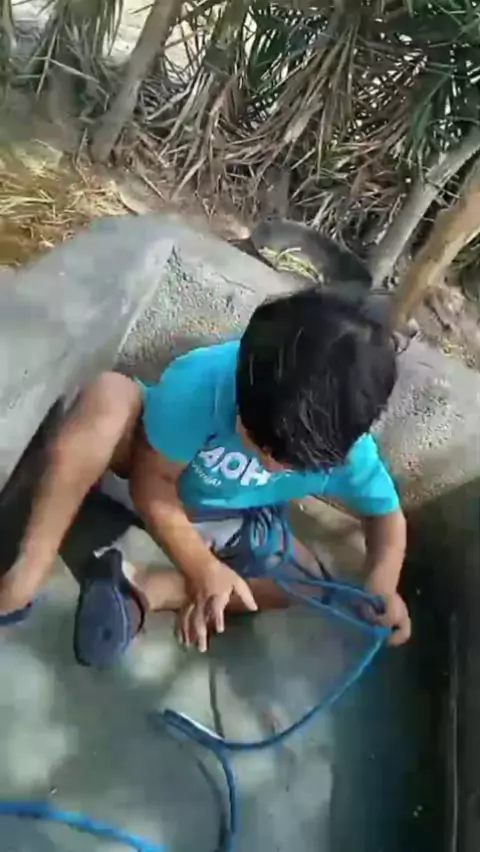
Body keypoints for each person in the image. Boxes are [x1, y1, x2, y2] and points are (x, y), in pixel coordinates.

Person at [0, 288, 410, 665]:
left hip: (222, 516)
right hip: (143, 470)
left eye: (294, 463)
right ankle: (29, 568)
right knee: (109, 396)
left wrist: (383, 581)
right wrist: (200, 565)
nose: (271, 464)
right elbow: (151, 482)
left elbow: (387, 517)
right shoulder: (204, 381)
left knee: (308, 585)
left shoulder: (351, 455)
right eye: (259, 442)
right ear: (241, 377)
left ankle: (148, 590)